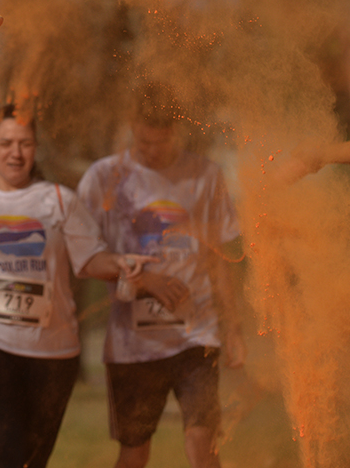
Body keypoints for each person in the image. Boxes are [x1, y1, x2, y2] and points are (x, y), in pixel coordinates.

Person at [0, 105, 147, 468]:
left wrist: (119, 264)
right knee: (7, 455)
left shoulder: (60, 200)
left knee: (33, 461)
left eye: (25, 143)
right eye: (6, 143)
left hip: (53, 354)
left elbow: (90, 260)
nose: (16, 152)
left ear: (35, 147)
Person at [76, 83, 246, 468]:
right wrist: (141, 281)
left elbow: (220, 259)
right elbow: (85, 257)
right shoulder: (104, 178)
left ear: (177, 131)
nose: (153, 151)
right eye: (144, 142)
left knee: (203, 443)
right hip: (132, 345)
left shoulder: (205, 176)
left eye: (162, 142)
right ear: (131, 127)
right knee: (134, 452)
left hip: (196, 336)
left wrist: (233, 330)